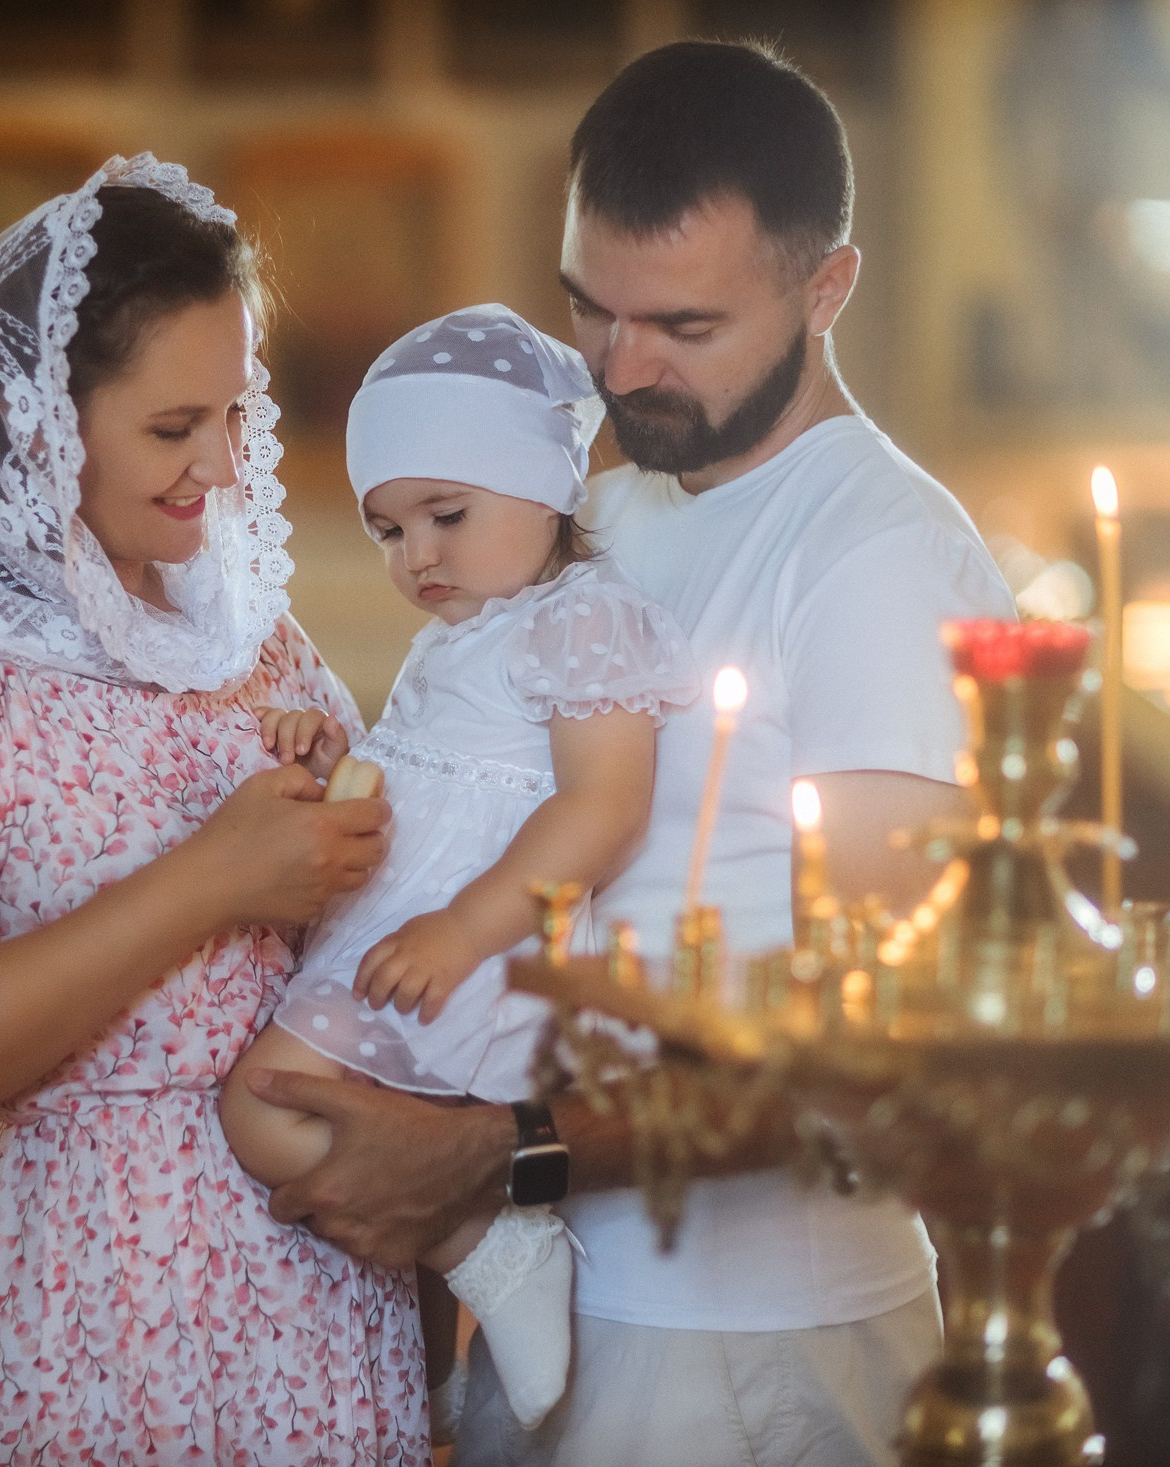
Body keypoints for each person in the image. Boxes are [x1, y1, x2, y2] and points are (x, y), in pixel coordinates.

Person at [243, 42, 1021, 1467]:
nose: (620, 367)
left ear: (826, 287)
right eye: (589, 309)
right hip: (577, 1290)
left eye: (683, 323)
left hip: (749, 1336)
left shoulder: (880, 560)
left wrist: (504, 1155)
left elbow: (882, 1050)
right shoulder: (614, 509)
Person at [0, 155, 425, 1466]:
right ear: (40, 423)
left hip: (325, 1282)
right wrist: (213, 879)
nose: (219, 469)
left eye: (236, 416)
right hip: (104, 1305)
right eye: (171, 426)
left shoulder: (254, 641)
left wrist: (355, 821)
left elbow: (369, 944)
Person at [219, 305, 698, 1437]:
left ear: (548, 489)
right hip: (421, 923)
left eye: (445, 514)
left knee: (261, 1109)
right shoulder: (473, 627)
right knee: (344, 1128)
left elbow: (604, 806)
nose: (416, 555)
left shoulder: (582, 621)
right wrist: (342, 762)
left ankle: (495, 1236)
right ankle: (436, 1352)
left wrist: (468, 930)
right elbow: (438, 771)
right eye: (386, 530)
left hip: (483, 941)